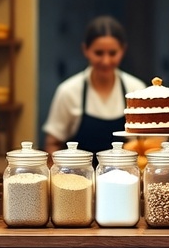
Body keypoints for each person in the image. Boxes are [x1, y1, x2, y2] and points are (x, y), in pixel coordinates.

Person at [42, 15, 146, 156]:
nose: (105, 61)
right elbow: (52, 143)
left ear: (123, 50)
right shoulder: (68, 91)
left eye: (112, 53)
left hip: (128, 176)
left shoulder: (136, 90)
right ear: (85, 50)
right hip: (80, 176)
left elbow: (146, 144)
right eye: (98, 53)